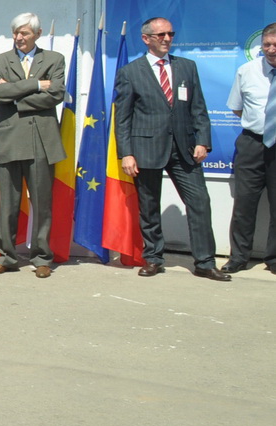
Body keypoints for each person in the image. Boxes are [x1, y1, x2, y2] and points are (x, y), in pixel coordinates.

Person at [115, 17, 228, 281]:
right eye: (161, 35)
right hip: (146, 148)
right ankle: (153, 258)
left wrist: (203, 141)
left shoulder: (186, 67)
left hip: (184, 150)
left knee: (200, 202)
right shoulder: (130, 72)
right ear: (146, 39)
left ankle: (205, 262)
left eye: (170, 34)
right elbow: (123, 118)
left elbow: (198, 108)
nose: (167, 39)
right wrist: (126, 153)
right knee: (149, 206)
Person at [0, 13, 66, 278]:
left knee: (42, 203)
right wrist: (36, 84)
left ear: (38, 34)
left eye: (25, 33)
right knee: (8, 203)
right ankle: (7, 257)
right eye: (16, 33)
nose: (19, 37)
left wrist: (16, 96)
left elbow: (55, 94)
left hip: (41, 140)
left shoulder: (54, 60)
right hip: (10, 139)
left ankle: (42, 257)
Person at [225, 22, 276, 272]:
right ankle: (238, 257)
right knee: (244, 205)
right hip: (252, 144)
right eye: (267, 44)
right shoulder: (247, 71)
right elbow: (237, 107)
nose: (271, 49)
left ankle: (274, 259)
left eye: (275, 45)